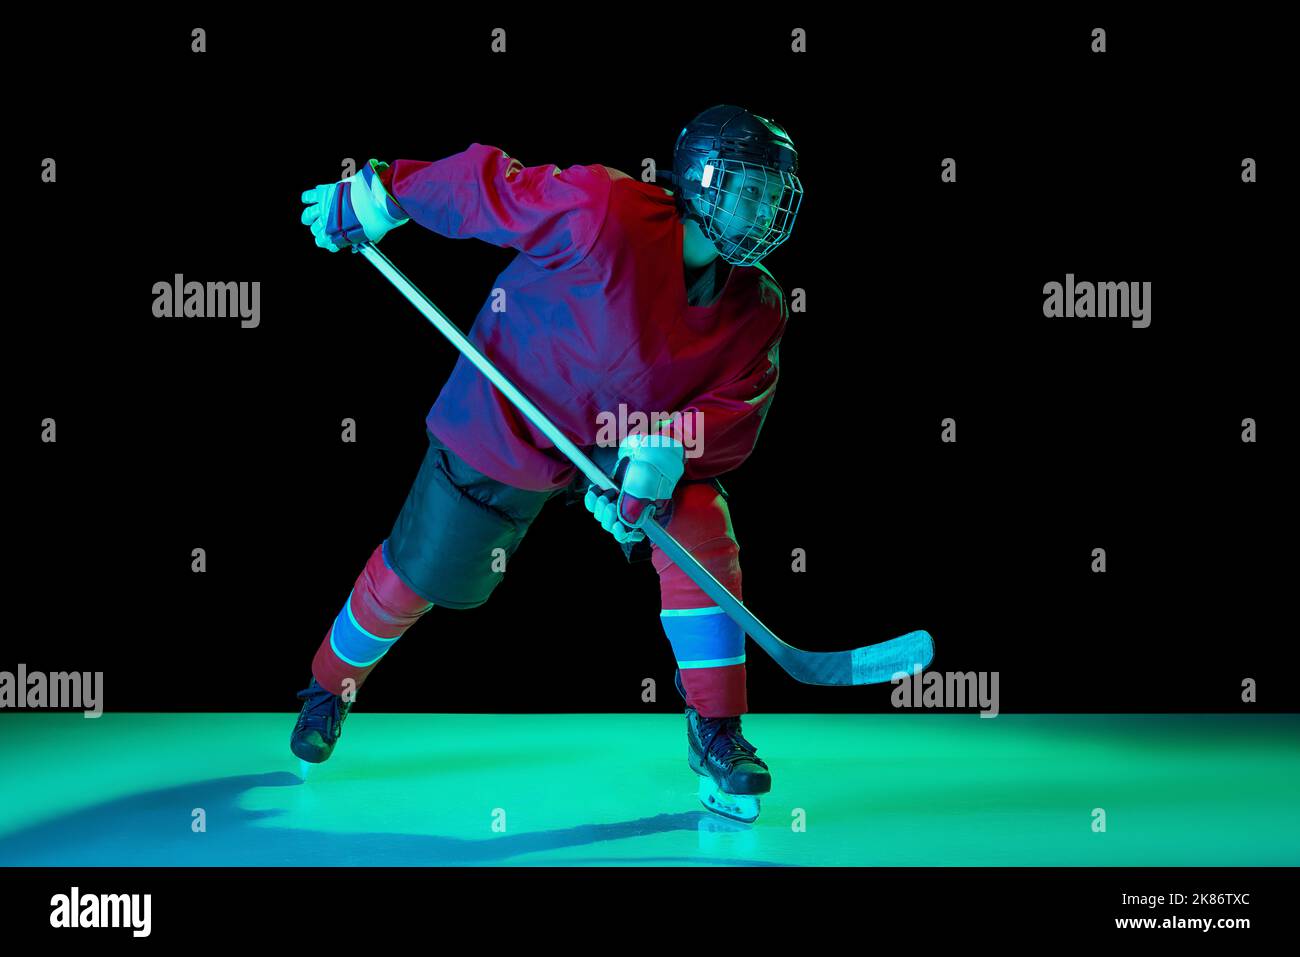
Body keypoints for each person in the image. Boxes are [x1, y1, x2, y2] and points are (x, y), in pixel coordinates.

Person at [294, 104, 802, 822]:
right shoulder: (607, 210)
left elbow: (740, 408)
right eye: (750, 187)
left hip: (618, 441)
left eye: (774, 193)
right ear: (701, 181)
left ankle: (717, 733)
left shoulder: (759, 306)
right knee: (417, 574)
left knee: (700, 524)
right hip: (509, 417)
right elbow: (487, 187)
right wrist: (382, 194)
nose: (764, 208)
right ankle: (327, 685)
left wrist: (665, 450)